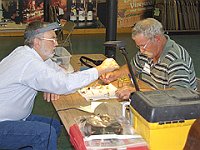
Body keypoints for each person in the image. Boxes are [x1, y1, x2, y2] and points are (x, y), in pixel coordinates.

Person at [0, 21, 119, 149]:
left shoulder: (30, 55)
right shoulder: (30, 63)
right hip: (4, 123)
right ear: (37, 42)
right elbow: (65, 83)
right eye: (52, 39)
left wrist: (52, 86)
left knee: (54, 126)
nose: (56, 43)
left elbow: (64, 74)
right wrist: (100, 69)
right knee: (45, 133)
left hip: (14, 118)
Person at [100, 18, 197, 100]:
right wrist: (114, 75)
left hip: (172, 110)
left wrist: (137, 92)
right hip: (150, 100)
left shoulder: (175, 59)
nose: (141, 51)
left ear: (157, 39)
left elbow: (179, 94)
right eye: (138, 46)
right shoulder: (147, 52)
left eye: (143, 45)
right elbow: (132, 68)